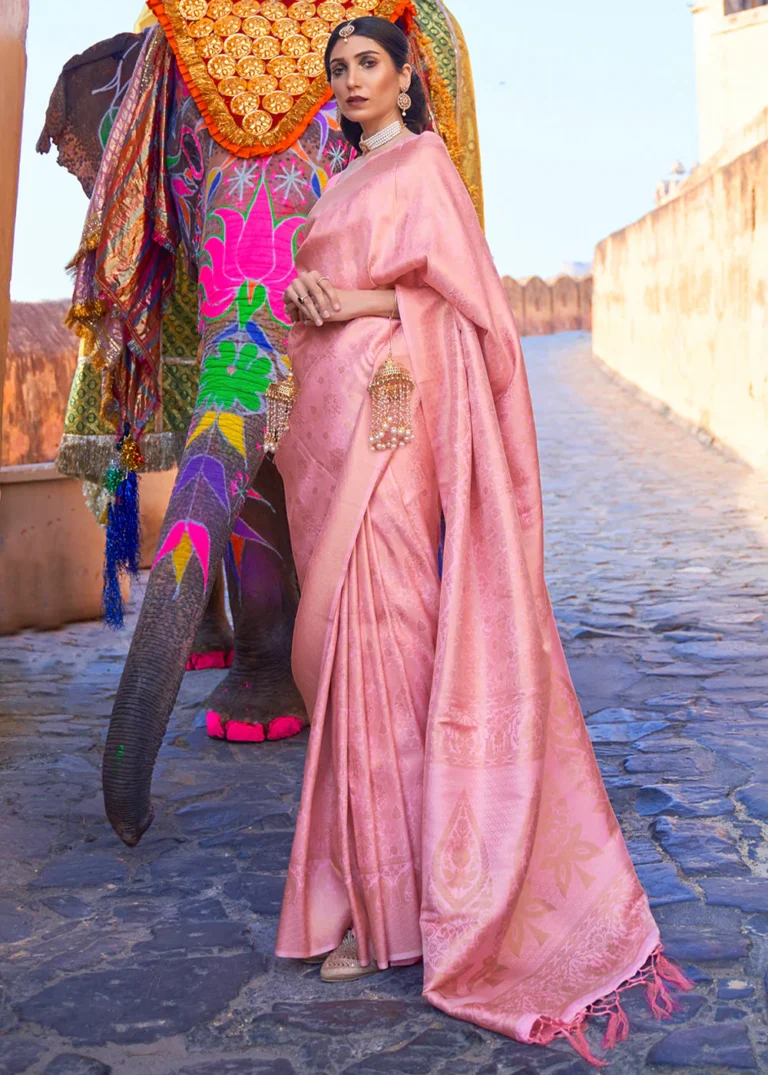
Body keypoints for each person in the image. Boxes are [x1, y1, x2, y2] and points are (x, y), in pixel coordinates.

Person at [272, 14, 689, 1067]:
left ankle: (405, 910)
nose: (352, 79)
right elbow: (330, 305)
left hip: (398, 419)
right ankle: (376, 897)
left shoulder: (421, 169)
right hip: (334, 426)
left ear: (407, 77)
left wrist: (357, 299)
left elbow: (472, 317)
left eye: (369, 63)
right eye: (339, 69)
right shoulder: (336, 187)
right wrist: (309, 299)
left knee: (395, 641)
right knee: (349, 657)